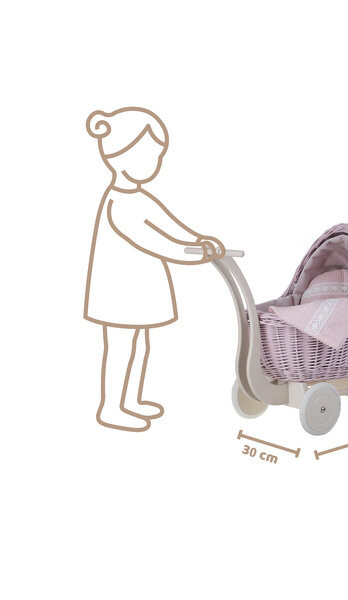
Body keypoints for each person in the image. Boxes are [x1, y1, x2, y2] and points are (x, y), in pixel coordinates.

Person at [84, 107, 224, 432]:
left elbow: (169, 225)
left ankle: (131, 400)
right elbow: (154, 241)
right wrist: (191, 255)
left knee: (141, 344)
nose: (154, 163)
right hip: (119, 291)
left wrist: (198, 239)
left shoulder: (139, 197)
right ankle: (111, 407)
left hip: (140, 289)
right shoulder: (119, 204)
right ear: (119, 155)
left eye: (157, 157)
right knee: (121, 346)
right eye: (148, 155)